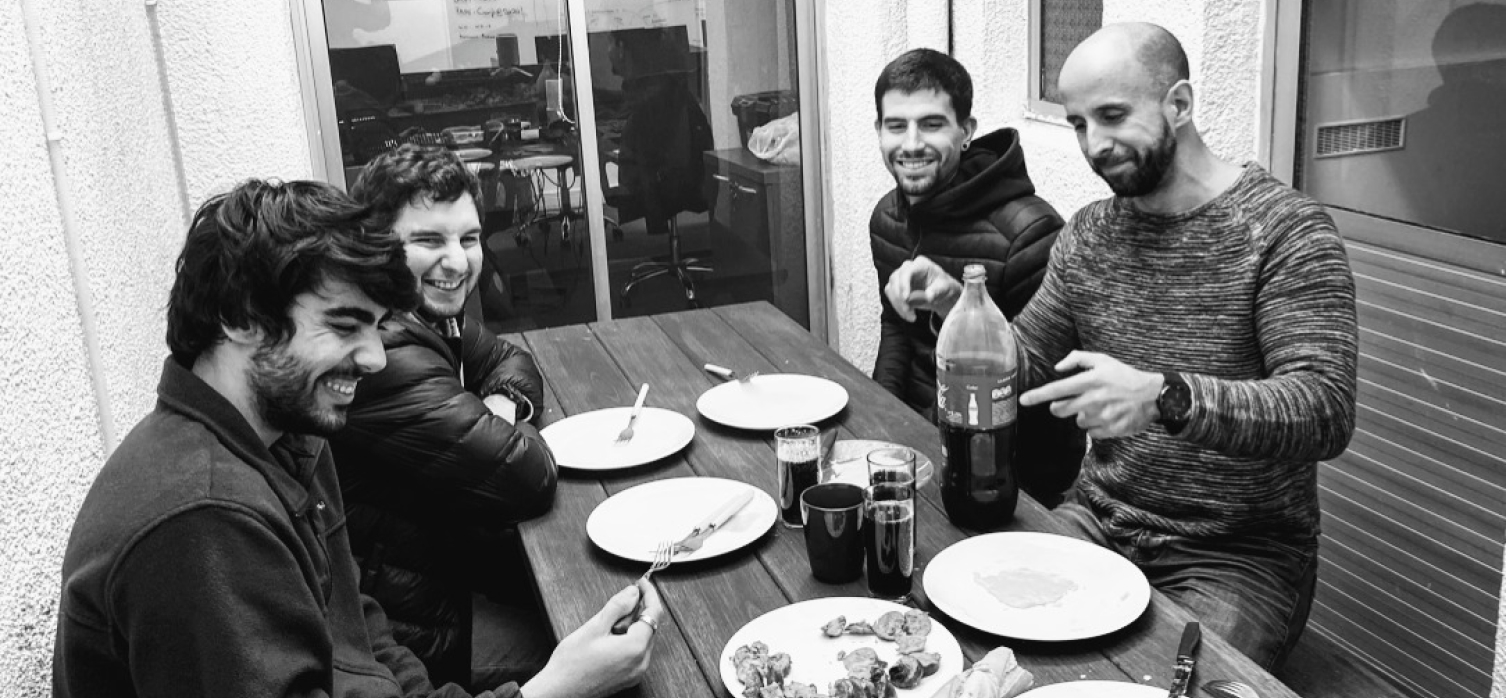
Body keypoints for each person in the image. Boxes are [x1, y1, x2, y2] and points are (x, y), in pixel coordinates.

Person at [53, 179, 662, 698]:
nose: (373, 358)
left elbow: (367, 650)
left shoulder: (292, 439)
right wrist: (551, 689)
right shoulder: (203, 519)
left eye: (375, 328)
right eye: (345, 326)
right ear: (240, 317)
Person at [884, 23, 1358, 671]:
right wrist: (960, 308)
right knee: (956, 638)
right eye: (1079, 124)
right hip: (1099, 519)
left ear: (1180, 104)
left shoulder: (1285, 231)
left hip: (1236, 556)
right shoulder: (1092, 234)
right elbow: (1026, 367)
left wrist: (1165, 396)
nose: (1095, 145)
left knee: (1167, 686)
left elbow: (1323, 411)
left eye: (1112, 115)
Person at [330, 145, 557, 689]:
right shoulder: (384, 348)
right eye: (429, 240)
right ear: (379, 247)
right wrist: (498, 426)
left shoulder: (425, 317)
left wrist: (497, 407)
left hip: (444, 584)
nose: (457, 261)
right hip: (416, 654)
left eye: (470, 239)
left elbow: (511, 361)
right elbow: (527, 476)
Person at [868, 48, 1084, 505]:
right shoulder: (887, 218)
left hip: (1006, 479)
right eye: (895, 125)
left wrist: (926, 445)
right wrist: (881, 424)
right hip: (918, 449)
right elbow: (897, 329)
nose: (910, 144)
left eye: (931, 124)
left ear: (966, 132)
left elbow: (1043, 393)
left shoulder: (1030, 234)